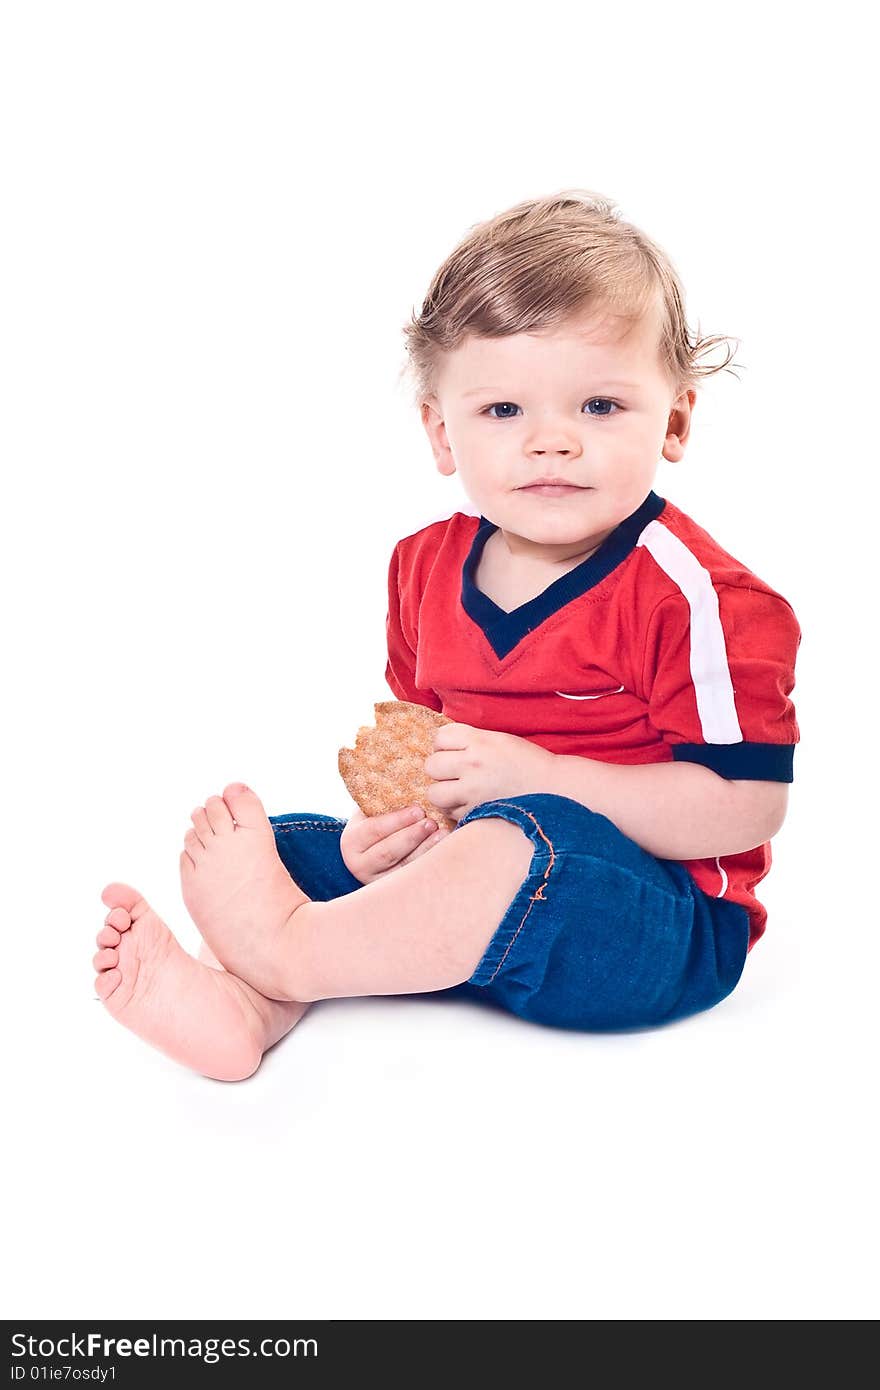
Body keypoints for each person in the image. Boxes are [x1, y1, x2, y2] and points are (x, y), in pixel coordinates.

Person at [93, 189, 801, 1080]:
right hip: (473, 890)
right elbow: (425, 764)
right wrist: (380, 840)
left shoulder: (700, 598)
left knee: (525, 842)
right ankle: (250, 1005)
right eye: (504, 412)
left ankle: (292, 957)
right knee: (285, 843)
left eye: (599, 407)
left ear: (675, 421)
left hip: (646, 924)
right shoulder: (423, 569)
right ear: (441, 431)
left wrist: (542, 779)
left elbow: (744, 806)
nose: (552, 443)